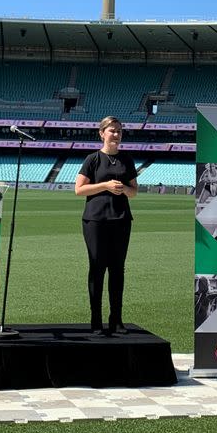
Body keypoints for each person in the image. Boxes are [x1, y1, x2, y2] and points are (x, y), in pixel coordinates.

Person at [74, 116, 138, 334]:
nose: (117, 135)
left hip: (120, 219)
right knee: (97, 268)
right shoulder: (92, 159)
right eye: (112, 130)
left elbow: (134, 192)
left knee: (118, 269)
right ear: (102, 133)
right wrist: (105, 186)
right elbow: (79, 189)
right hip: (95, 220)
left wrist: (122, 189)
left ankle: (116, 319)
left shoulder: (126, 160)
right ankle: (96, 320)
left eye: (119, 131)